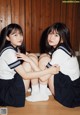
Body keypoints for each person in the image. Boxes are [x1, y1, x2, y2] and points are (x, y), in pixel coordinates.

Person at [17, 22, 80, 107]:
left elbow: (43, 77)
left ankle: (42, 94)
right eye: (51, 33)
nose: (51, 37)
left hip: (70, 95)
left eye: (56, 35)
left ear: (62, 39)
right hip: (74, 88)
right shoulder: (62, 48)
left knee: (44, 61)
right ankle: (38, 90)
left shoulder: (60, 52)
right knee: (44, 56)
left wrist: (30, 61)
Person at [0, 23, 59, 107]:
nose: (19, 37)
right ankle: (36, 91)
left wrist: (40, 58)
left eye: (20, 34)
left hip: (10, 83)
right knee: (28, 63)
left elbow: (30, 56)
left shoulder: (14, 47)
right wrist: (49, 71)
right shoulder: (8, 52)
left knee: (32, 57)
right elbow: (25, 76)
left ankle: (36, 90)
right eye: (15, 35)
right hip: (7, 92)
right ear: (7, 37)